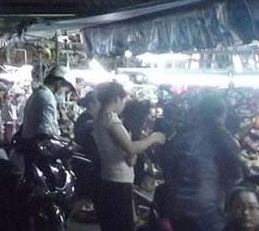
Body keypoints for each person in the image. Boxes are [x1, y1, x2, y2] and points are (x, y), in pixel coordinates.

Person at [91, 82, 166, 231]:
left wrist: (131, 156)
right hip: (118, 182)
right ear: (116, 99)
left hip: (110, 178)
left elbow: (122, 151)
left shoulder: (99, 117)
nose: (124, 105)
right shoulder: (110, 119)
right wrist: (154, 138)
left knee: (113, 225)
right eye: (124, 101)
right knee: (123, 226)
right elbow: (130, 147)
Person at [165, 94, 243, 231]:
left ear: (199, 113)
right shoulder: (225, 139)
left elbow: (169, 172)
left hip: (178, 210)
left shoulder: (183, 138)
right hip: (209, 212)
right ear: (223, 114)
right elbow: (236, 177)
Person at [20, 66, 72, 141]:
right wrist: (64, 140)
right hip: (35, 149)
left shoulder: (38, 93)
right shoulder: (47, 98)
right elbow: (45, 134)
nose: (63, 95)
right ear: (59, 84)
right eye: (66, 92)